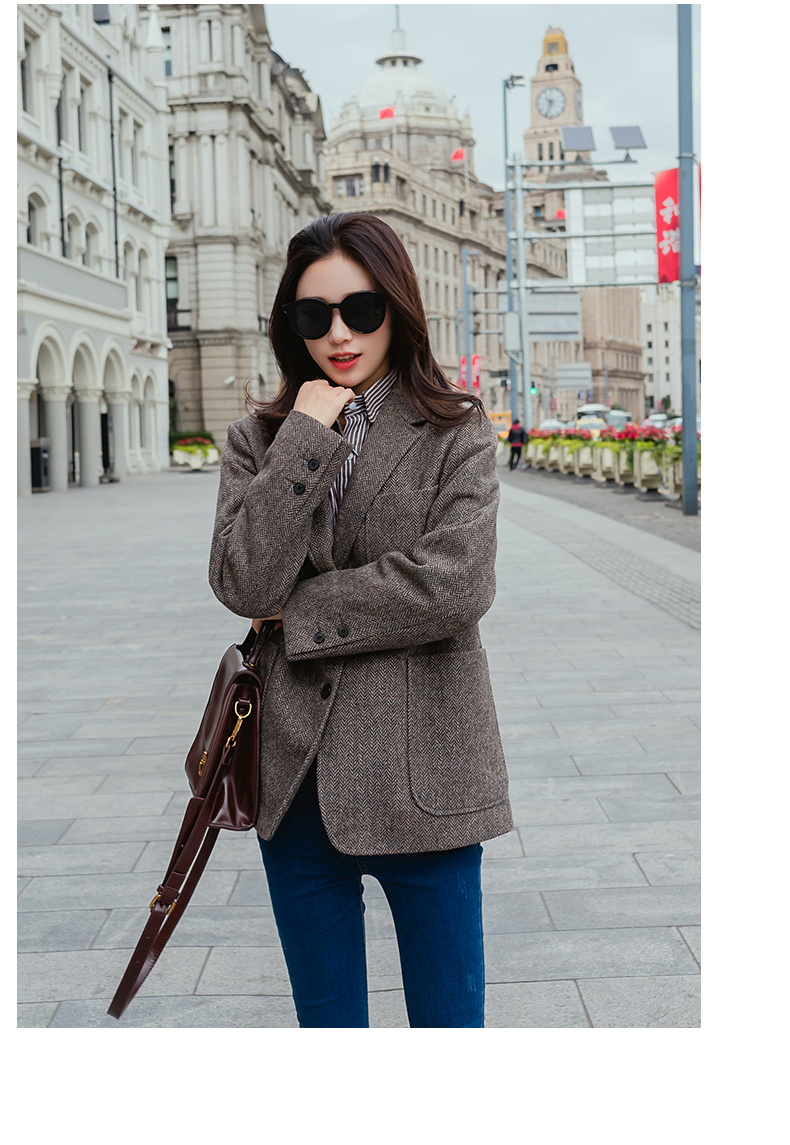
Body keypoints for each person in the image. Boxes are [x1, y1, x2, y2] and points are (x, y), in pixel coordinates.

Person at [209, 212, 513, 1029]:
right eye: (315, 315)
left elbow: (455, 585)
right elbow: (244, 581)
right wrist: (305, 436)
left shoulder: (455, 428)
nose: (339, 334)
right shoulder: (260, 439)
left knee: (449, 1030)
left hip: (429, 776)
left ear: (397, 307)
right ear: (291, 323)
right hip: (295, 782)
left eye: (361, 310)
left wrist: (298, 612)